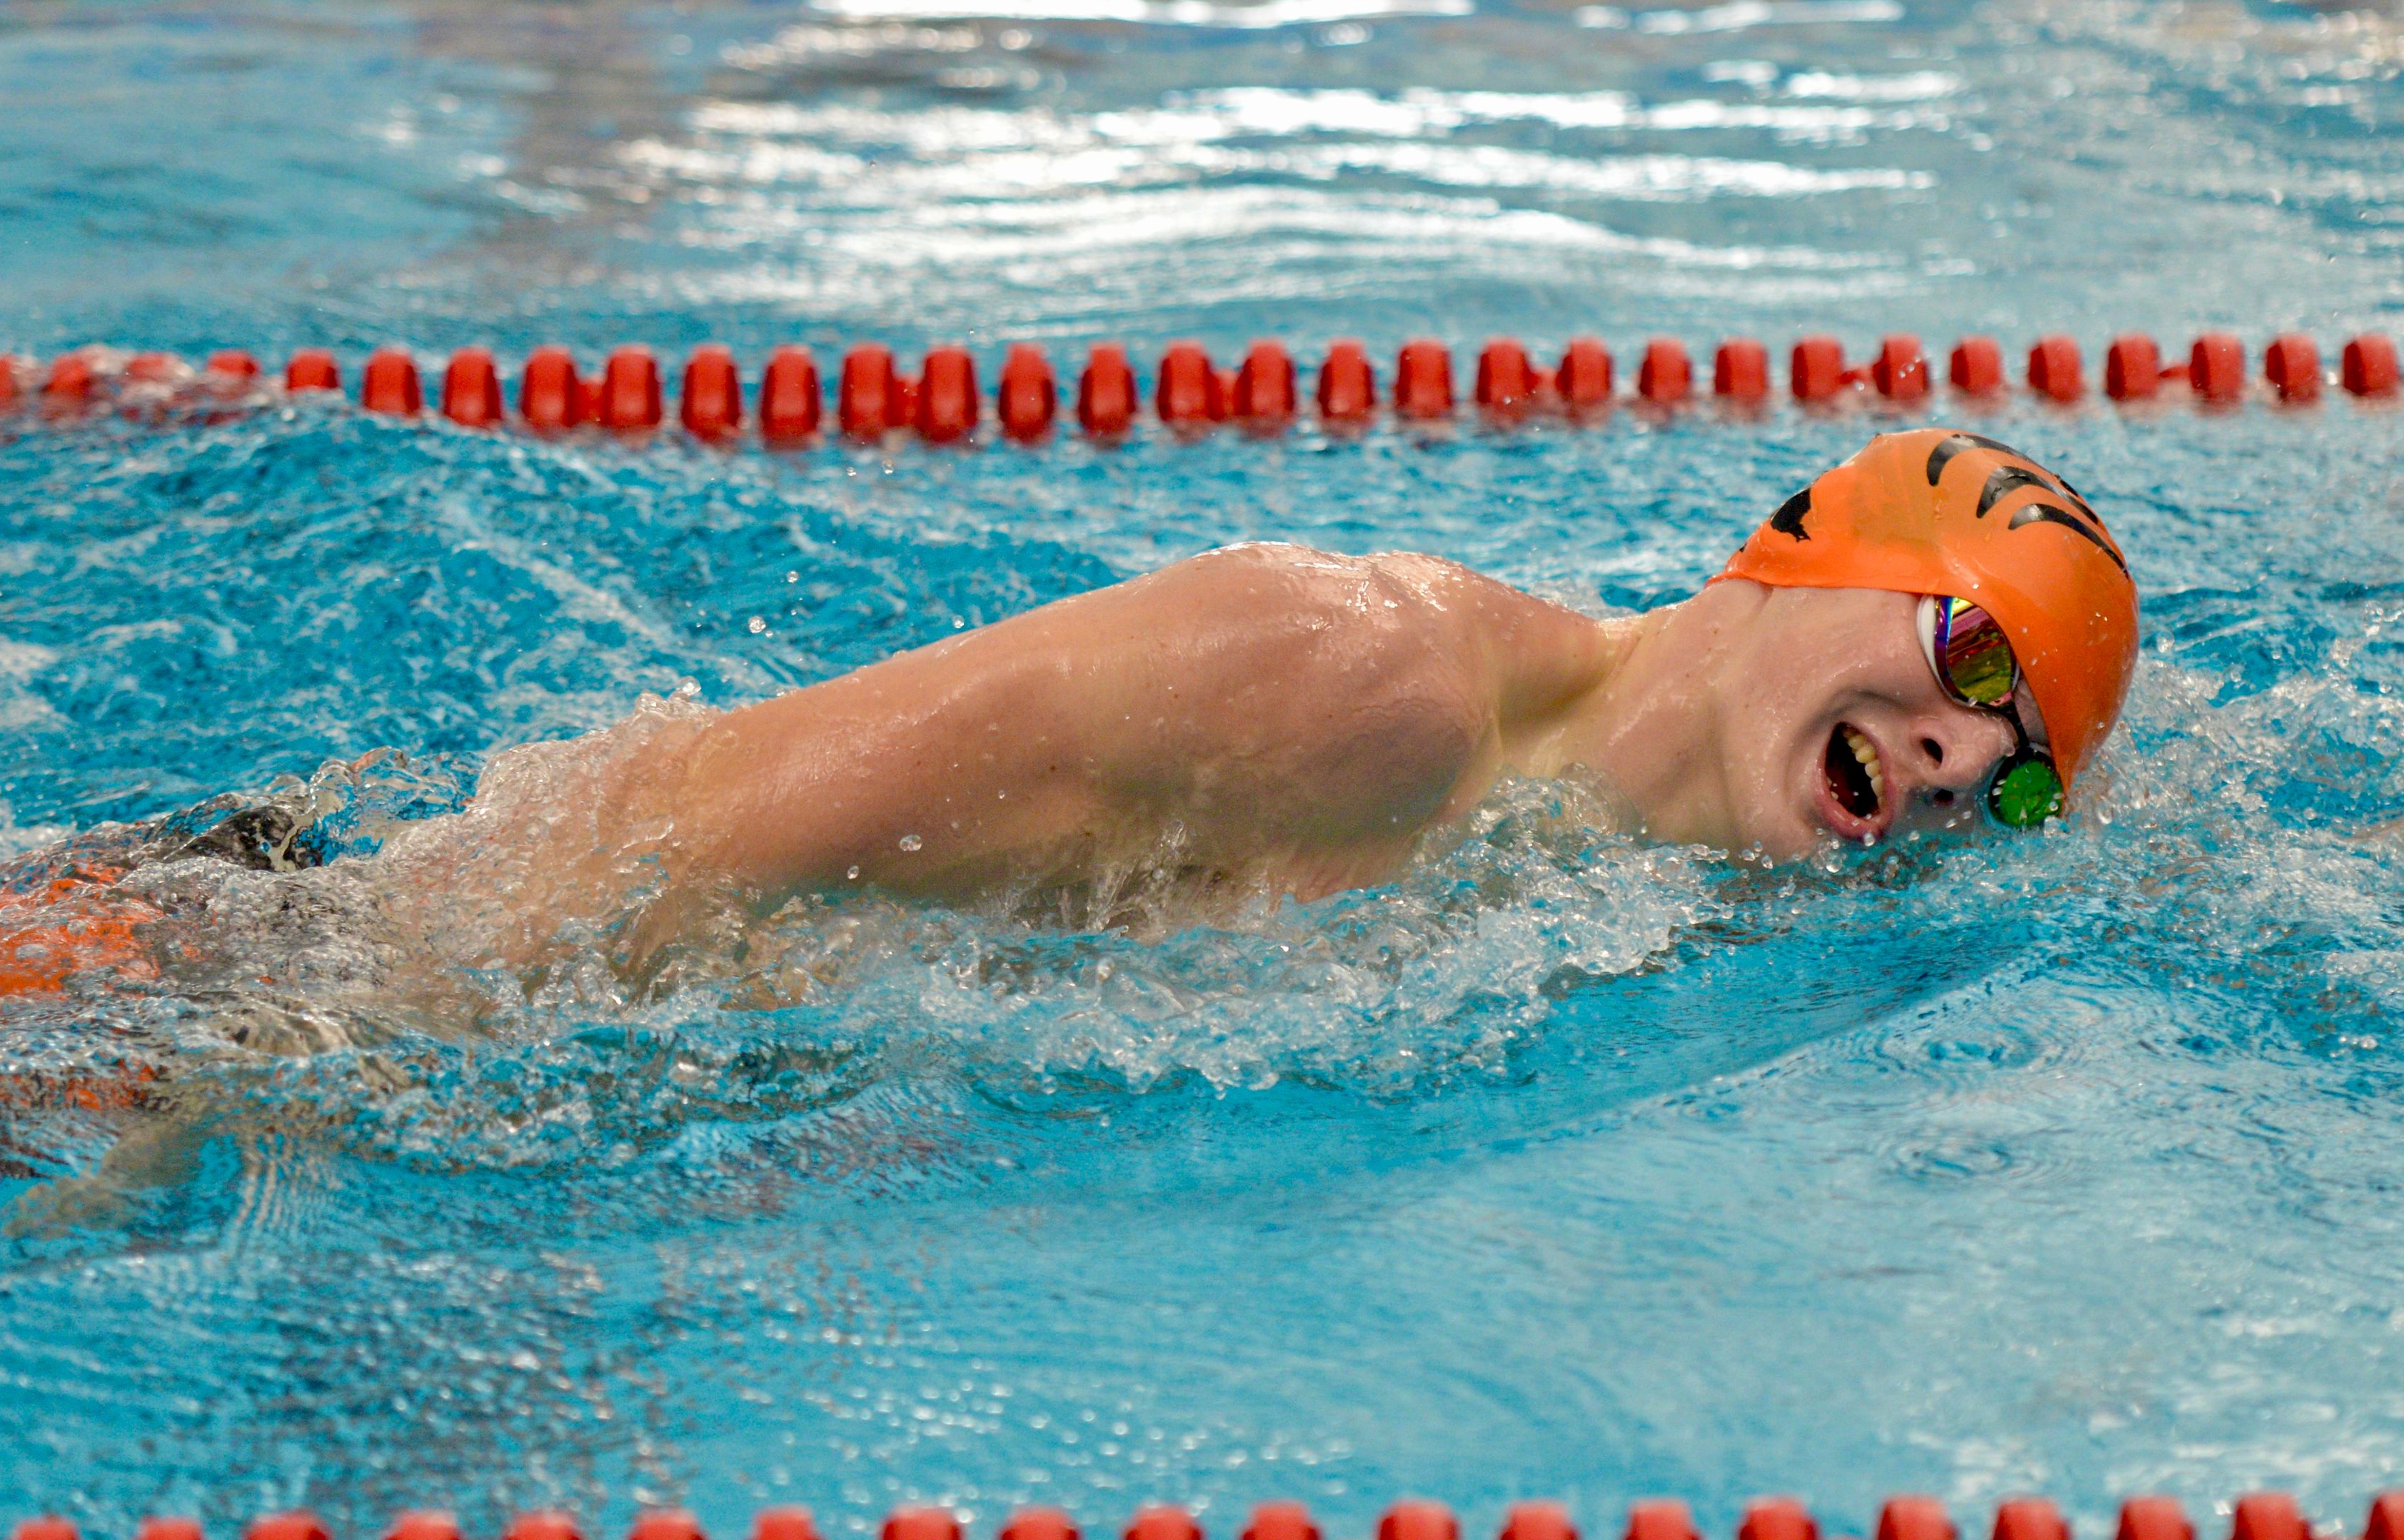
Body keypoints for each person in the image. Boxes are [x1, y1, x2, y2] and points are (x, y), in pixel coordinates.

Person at [393, 427, 2139, 972]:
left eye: (2018, 781)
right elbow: (660, 838)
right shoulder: (1363, 685)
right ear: (1800, 552)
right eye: (1969, 660)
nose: (1958, 766)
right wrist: (278, 1063)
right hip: (293, 958)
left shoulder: (1662, 882)